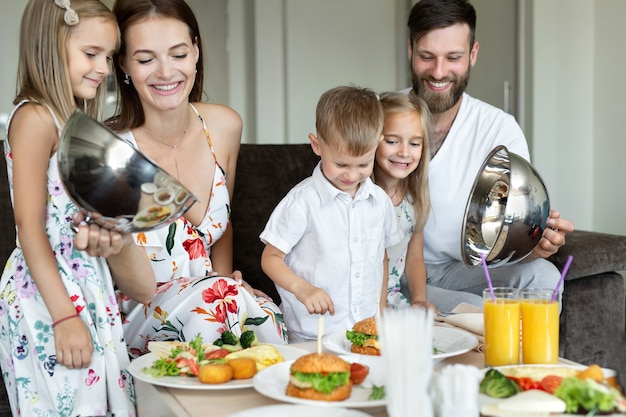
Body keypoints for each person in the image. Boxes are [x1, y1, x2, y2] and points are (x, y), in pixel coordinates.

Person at [0, 1, 157, 416]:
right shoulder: (34, 118)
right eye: (91, 54)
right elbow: (29, 228)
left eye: (107, 56)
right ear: (50, 47)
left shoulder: (74, 125)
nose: (104, 67)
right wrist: (64, 318)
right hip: (48, 295)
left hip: (88, 282)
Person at [106, 0, 287, 356]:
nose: (165, 72)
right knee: (220, 311)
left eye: (178, 54)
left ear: (196, 52)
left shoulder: (223, 126)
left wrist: (226, 281)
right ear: (124, 63)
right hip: (136, 314)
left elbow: (223, 228)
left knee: (266, 314)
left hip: (212, 304)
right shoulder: (110, 151)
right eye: (146, 59)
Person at [403, 0, 575, 311]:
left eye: (453, 58)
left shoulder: (499, 129)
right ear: (410, 50)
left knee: (544, 279)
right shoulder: (381, 115)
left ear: (473, 54)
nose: (438, 72)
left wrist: (533, 243)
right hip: (391, 273)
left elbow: (509, 228)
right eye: (427, 57)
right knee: (483, 310)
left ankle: (531, 361)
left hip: (461, 270)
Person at [260, 86, 403, 342]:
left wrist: (379, 313)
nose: (351, 175)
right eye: (341, 164)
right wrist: (302, 289)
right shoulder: (301, 202)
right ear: (317, 145)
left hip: (362, 331)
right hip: (310, 335)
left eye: (363, 164)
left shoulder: (379, 202)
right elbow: (270, 258)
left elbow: (380, 259)